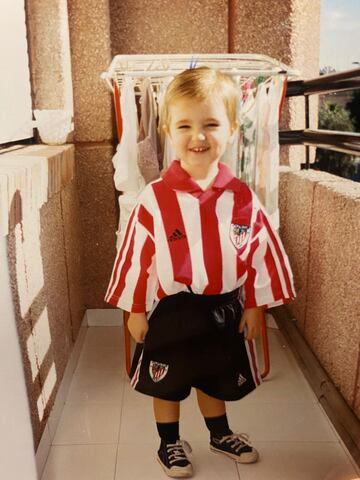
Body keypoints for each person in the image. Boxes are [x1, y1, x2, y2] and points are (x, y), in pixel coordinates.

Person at [105, 66, 295, 478]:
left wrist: (256, 306)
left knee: (216, 376)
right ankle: (169, 442)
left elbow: (262, 252)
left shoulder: (243, 197)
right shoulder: (154, 198)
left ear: (231, 130)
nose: (199, 136)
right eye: (186, 125)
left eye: (211, 123)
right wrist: (136, 310)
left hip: (225, 308)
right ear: (170, 131)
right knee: (166, 382)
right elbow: (136, 257)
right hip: (172, 311)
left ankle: (219, 433)